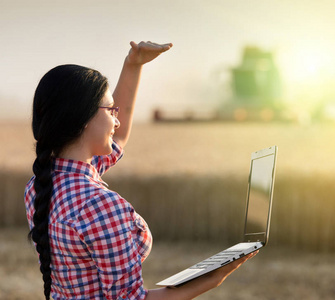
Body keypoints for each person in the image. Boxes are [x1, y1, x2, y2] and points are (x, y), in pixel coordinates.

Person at [25, 40, 257, 300]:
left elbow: (118, 136)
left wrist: (133, 65)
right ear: (82, 119)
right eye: (109, 109)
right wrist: (214, 277)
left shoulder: (40, 185)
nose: (117, 118)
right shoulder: (100, 205)